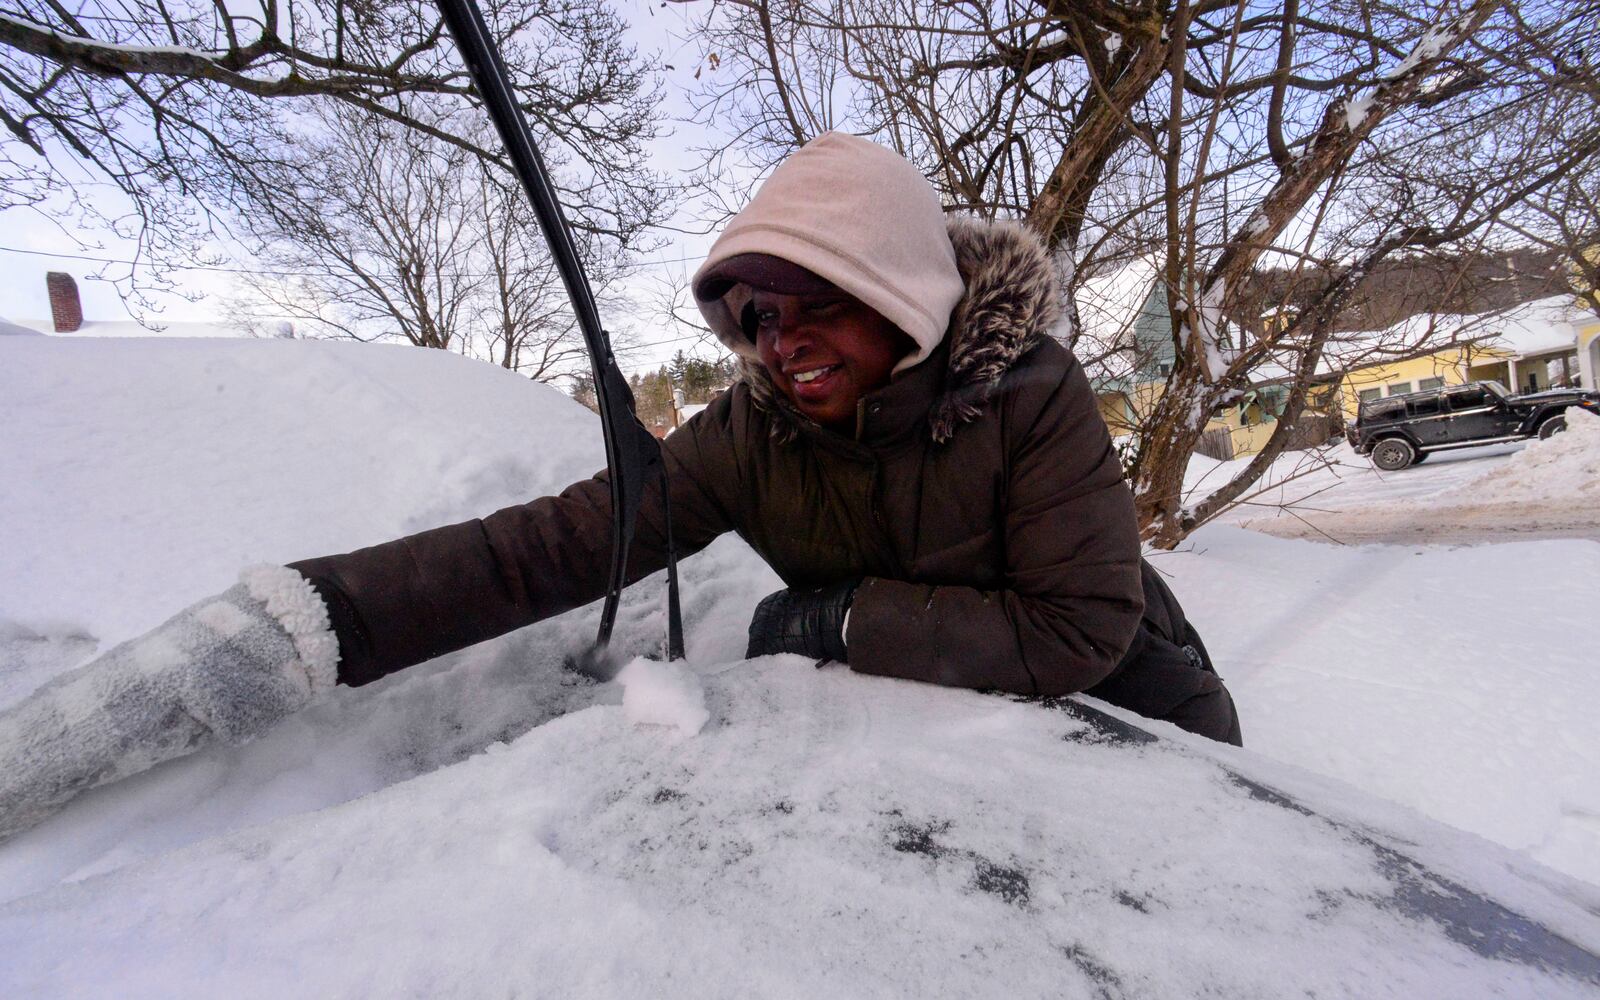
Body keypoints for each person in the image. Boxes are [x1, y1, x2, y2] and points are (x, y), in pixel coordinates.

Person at [0, 133, 1241, 841]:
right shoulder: (745, 438)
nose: (781, 339)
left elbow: (1078, 628)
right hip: (952, 751)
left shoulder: (1030, 396)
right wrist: (289, 632)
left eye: (821, 302)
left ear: (906, 292)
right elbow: (549, 547)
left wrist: (838, 617)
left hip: (1137, 718)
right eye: (757, 314)